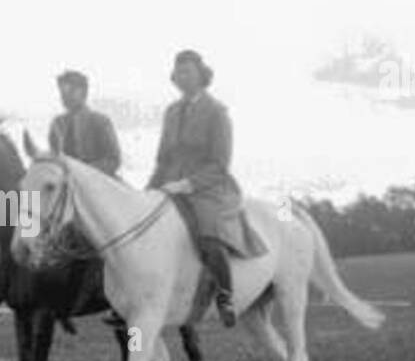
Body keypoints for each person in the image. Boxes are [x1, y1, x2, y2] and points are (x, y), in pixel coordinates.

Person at [147, 50, 265, 328]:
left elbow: (220, 163)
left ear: (201, 75)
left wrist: (188, 184)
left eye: (188, 71)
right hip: (170, 184)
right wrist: (150, 189)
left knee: (208, 237)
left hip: (208, 187)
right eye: (178, 72)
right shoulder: (172, 111)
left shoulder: (217, 112)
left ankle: (226, 295)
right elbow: (163, 158)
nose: (181, 76)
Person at [48, 69, 121, 175]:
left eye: (71, 90)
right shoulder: (57, 123)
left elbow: (114, 160)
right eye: (62, 91)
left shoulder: (100, 121)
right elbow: (54, 156)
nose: (65, 95)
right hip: (65, 182)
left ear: (84, 92)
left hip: (97, 181)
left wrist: (83, 172)